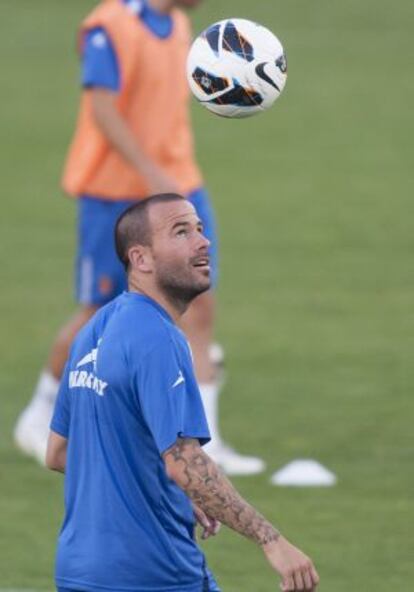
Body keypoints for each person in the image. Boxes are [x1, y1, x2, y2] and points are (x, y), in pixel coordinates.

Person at [15, 0, 264, 475]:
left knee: (201, 304)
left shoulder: (180, 25)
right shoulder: (110, 27)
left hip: (180, 185)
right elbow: (103, 110)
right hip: (114, 193)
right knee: (98, 312)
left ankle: (202, 445)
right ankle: (40, 409)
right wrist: (150, 172)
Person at [46, 194, 320, 592]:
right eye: (181, 232)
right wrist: (271, 540)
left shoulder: (95, 330)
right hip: (152, 574)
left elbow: (58, 452)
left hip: (79, 572)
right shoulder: (158, 338)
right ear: (142, 259)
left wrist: (151, 487)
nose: (202, 241)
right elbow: (184, 461)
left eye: (199, 229)